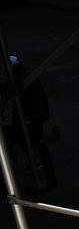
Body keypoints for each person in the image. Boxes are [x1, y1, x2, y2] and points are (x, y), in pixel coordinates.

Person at [2, 55, 58, 187]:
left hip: (31, 116)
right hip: (35, 114)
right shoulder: (26, 76)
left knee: (26, 138)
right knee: (31, 137)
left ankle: (37, 162)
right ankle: (37, 161)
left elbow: (13, 92)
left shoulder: (19, 79)